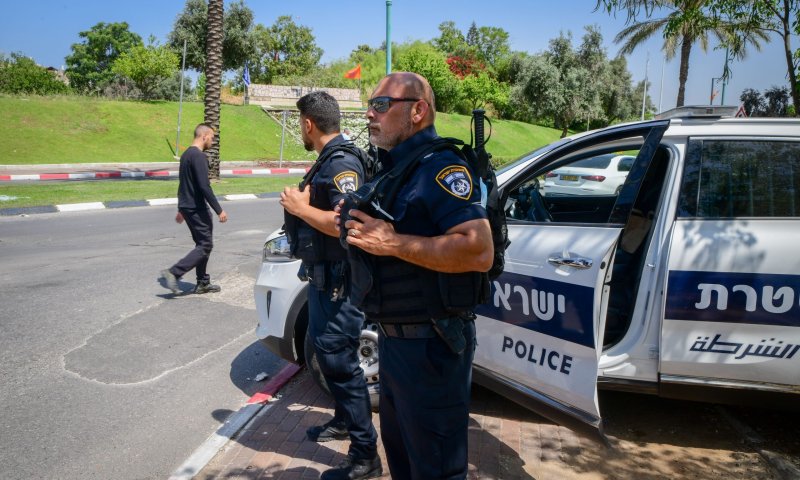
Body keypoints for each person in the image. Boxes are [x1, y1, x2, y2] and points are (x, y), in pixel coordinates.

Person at [339, 72, 493, 479]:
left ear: (418, 110)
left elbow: (479, 249)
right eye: (371, 105)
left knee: (436, 469)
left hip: (432, 348)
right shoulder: (399, 169)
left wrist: (392, 243)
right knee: (405, 462)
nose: (370, 113)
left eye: (382, 105)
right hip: (397, 346)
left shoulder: (440, 167)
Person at [279, 91, 381, 480]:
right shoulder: (327, 160)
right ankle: (342, 420)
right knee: (330, 355)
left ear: (308, 124)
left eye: (301, 124)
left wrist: (300, 208)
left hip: (341, 282)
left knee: (339, 362)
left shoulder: (340, 163)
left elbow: (349, 223)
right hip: (326, 280)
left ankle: (365, 456)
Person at [160, 124, 228, 295]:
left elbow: (184, 184)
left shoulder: (186, 155)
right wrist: (219, 209)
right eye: (212, 137)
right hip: (197, 208)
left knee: (202, 244)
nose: (213, 141)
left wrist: (181, 208)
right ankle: (174, 273)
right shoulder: (198, 156)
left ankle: (203, 282)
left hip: (187, 206)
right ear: (204, 135)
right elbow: (204, 186)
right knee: (205, 245)